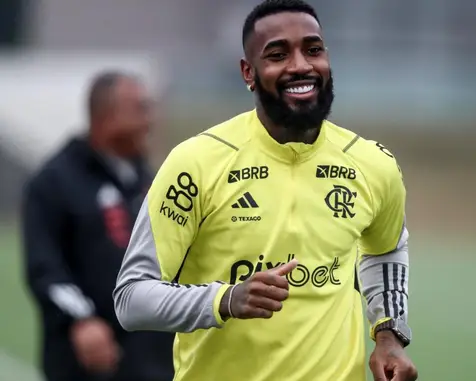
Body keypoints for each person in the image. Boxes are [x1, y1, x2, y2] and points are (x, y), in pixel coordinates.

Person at [113, 0, 418, 380]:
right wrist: (225, 300)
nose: (301, 65)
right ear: (249, 72)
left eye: (313, 49)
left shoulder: (373, 164)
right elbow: (131, 299)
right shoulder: (195, 163)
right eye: (277, 54)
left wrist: (389, 333)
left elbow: (387, 247)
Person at [21, 71, 175, 381]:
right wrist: (82, 319)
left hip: (154, 360)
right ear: (107, 117)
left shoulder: (149, 180)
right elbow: (45, 269)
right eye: (140, 109)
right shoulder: (54, 182)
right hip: (91, 363)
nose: (150, 121)